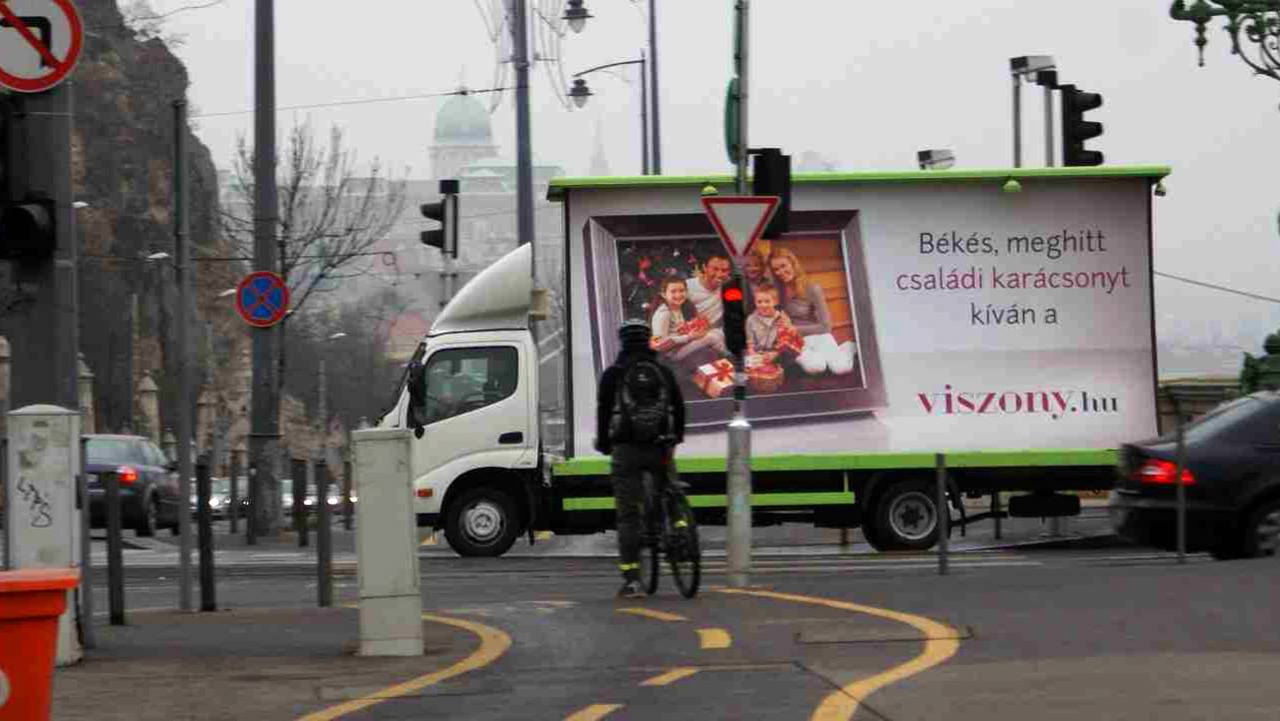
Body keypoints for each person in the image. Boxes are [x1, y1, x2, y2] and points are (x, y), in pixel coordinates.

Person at [595, 319, 687, 598]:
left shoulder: (614, 373)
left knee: (628, 514)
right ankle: (680, 528)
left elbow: (603, 411)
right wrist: (676, 437)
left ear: (623, 341)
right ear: (648, 340)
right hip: (660, 444)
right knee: (670, 483)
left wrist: (604, 442)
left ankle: (632, 579)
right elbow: (679, 406)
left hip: (627, 448)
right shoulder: (662, 370)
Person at [769, 247, 856, 375]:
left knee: (841, 368)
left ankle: (848, 347)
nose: (781, 272)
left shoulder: (812, 288)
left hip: (819, 336)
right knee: (816, 367)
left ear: (793, 263)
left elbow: (826, 326)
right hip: (796, 341)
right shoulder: (777, 291)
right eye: (776, 269)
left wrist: (793, 328)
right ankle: (822, 358)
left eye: (783, 266)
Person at [650, 276, 717, 364]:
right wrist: (689, 337)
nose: (678, 295)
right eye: (673, 292)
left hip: (683, 345)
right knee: (712, 337)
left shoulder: (682, 307)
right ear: (664, 294)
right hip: (671, 354)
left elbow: (680, 329)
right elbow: (657, 345)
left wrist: (697, 327)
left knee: (714, 337)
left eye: (681, 291)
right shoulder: (663, 313)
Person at [745, 283, 792, 362]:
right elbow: (750, 343)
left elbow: (787, 341)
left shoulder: (782, 318)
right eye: (759, 302)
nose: (763, 305)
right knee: (746, 363)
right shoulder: (751, 319)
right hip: (757, 353)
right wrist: (753, 354)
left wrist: (775, 353)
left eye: (767, 301)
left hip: (777, 353)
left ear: (775, 302)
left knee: (787, 358)